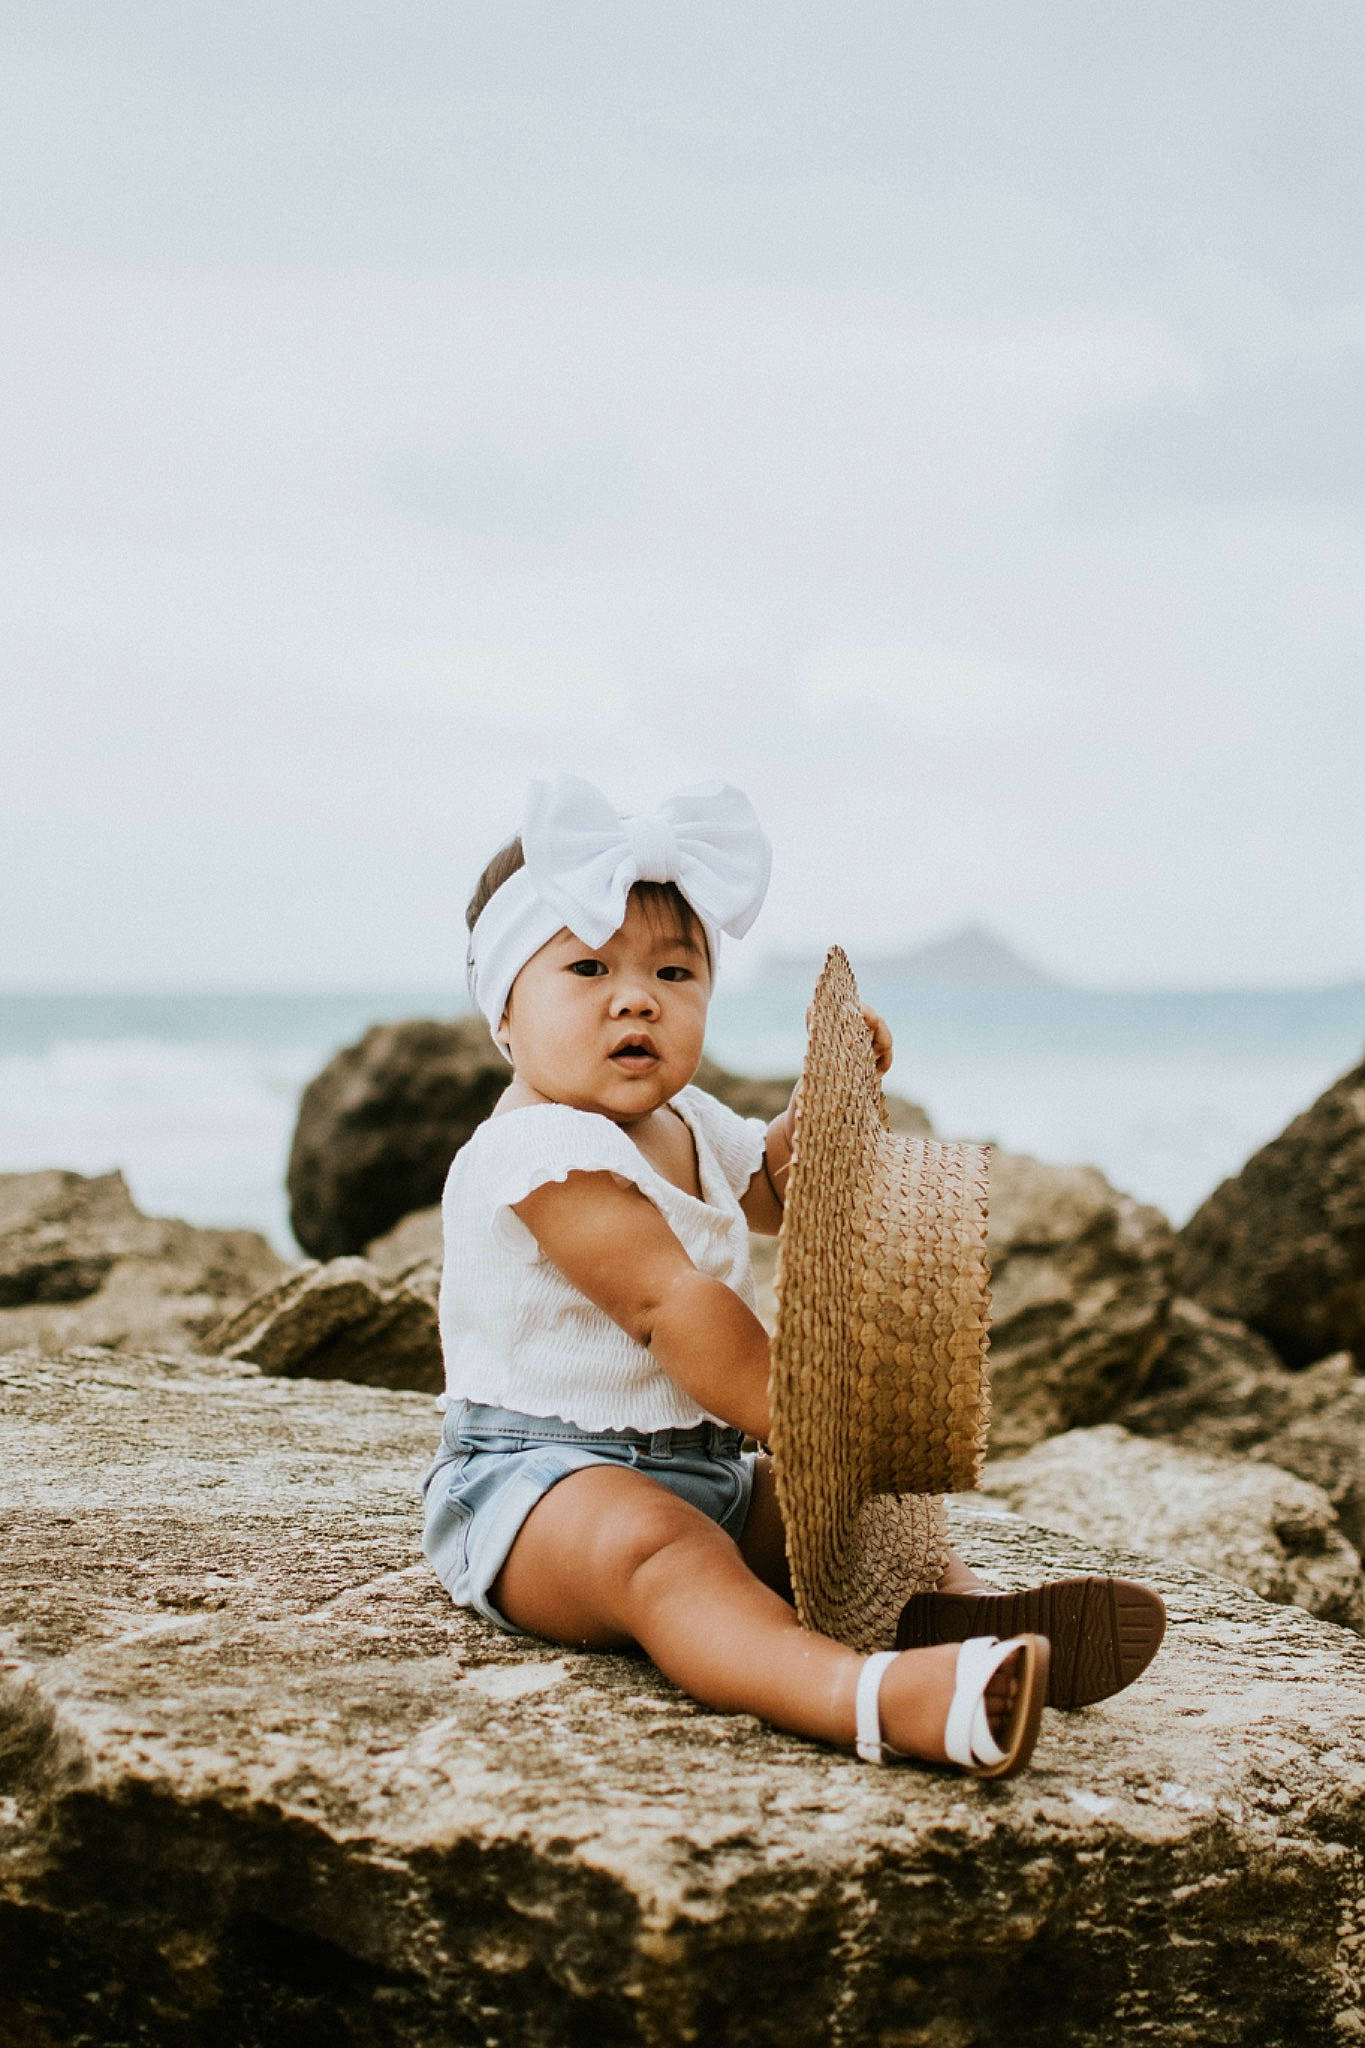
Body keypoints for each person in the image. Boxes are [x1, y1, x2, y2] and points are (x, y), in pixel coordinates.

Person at [422, 777, 1154, 1778]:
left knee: (864, 1523)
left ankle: (961, 1616)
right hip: (536, 1489)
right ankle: (865, 1696)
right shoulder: (539, 1150)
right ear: (503, 1012)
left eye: (674, 971)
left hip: (706, 1465)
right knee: (665, 1556)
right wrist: (802, 1417)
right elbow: (668, 1303)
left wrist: (826, 1108)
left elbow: (770, 1189)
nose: (636, 997)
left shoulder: (684, 1120)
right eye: (588, 966)